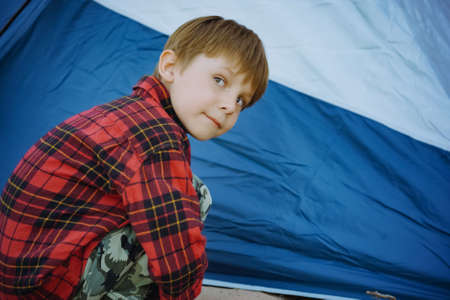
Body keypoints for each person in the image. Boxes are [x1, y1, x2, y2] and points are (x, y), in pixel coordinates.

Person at [0, 15, 268, 299]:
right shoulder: (154, 138)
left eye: (241, 100)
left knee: (176, 190)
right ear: (170, 67)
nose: (229, 105)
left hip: (24, 275)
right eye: (219, 80)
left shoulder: (132, 112)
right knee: (193, 197)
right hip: (46, 288)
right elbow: (178, 256)